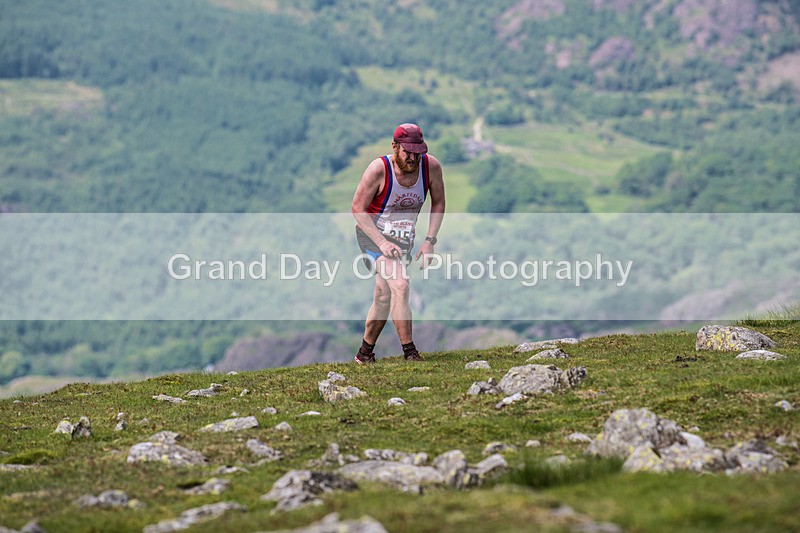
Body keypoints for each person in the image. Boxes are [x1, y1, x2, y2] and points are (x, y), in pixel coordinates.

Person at [351, 123, 445, 363]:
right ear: (395, 147)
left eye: (418, 152)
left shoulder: (430, 167)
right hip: (372, 236)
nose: (413, 158)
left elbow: (438, 203)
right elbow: (357, 209)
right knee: (401, 285)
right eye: (407, 152)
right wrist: (381, 243)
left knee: (383, 296)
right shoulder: (379, 169)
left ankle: (364, 354)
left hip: (403, 240)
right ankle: (410, 353)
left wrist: (429, 241)